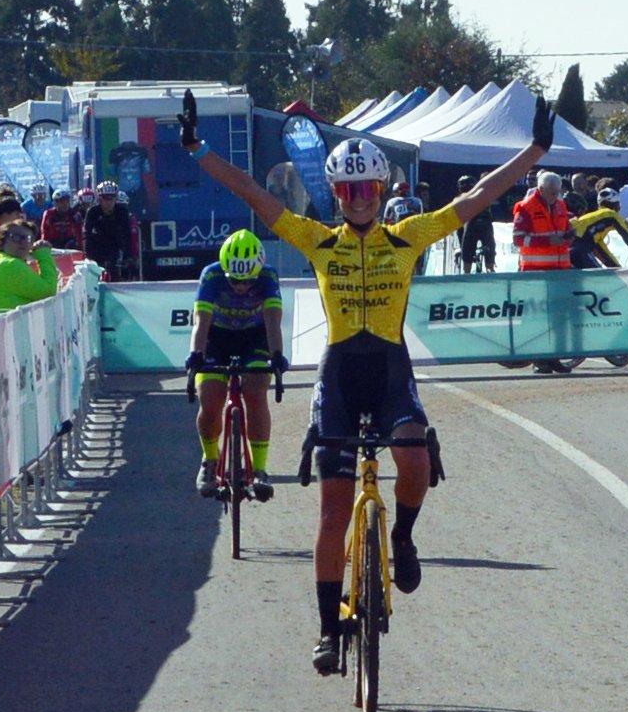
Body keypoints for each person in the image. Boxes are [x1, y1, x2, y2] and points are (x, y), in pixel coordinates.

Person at [183, 92, 556, 674]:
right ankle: (329, 630)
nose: (358, 199)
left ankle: (402, 538)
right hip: (338, 376)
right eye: (347, 191)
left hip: (389, 370)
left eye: (367, 190)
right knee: (333, 511)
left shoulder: (408, 237)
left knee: (412, 462)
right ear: (336, 195)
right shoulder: (318, 241)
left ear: (381, 192)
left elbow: (477, 197)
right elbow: (252, 193)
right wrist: (200, 151)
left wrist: (535, 150)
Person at [184, 230, 285, 502]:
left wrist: (277, 356)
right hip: (216, 337)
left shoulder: (268, 276)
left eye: (247, 282)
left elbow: (273, 321)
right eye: (234, 281)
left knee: (256, 391)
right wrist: (196, 355)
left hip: (254, 338)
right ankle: (209, 461)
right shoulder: (212, 274)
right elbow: (200, 320)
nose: (240, 287)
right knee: (210, 398)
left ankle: (261, 469)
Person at [0, 220, 59, 322]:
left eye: (28, 239)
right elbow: (48, 291)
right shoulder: (10, 265)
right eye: (16, 237)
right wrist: (44, 254)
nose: (23, 242)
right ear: (1, 241)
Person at [512, 171, 571, 270]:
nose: (555, 196)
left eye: (557, 192)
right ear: (541, 189)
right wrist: (547, 241)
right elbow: (518, 239)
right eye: (552, 193)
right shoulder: (526, 208)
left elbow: (565, 228)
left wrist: (570, 234)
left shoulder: (560, 205)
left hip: (561, 269)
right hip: (534, 270)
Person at [84, 179, 134, 276]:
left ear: (116, 198)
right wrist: (88, 256)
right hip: (97, 246)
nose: (109, 202)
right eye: (105, 198)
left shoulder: (122, 212)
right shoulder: (92, 212)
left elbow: (127, 234)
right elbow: (86, 235)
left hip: (114, 246)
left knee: (118, 270)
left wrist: (129, 256)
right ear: (100, 199)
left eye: (112, 198)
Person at [454, 174, 497, 272]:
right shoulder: (482, 195)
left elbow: (459, 228)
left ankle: (467, 273)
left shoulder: (459, 199)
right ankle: (490, 268)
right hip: (486, 228)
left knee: (467, 263)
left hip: (471, 228)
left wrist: (462, 247)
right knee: (490, 261)